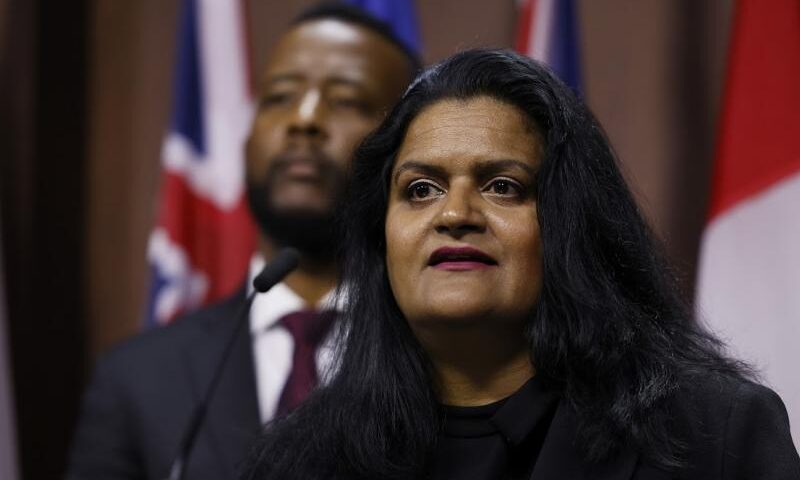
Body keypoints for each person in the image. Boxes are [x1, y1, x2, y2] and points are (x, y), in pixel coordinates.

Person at [242, 49, 800, 479]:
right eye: (420, 189)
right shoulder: (298, 460)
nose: (455, 213)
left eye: (503, 186)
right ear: (380, 235)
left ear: (569, 223)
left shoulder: (715, 433)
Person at [66, 5, 419, 480]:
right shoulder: (137, 380)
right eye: (278, 97)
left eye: (347, 100)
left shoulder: (449, 365)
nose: (304, 119)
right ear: (247, 137)